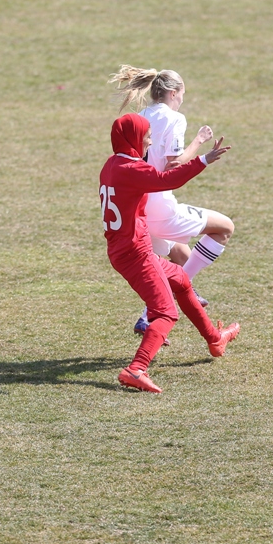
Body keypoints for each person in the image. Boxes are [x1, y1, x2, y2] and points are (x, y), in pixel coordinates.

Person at [100, 113, 241, 393]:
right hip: (135, 253)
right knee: (166, 313)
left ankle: (215, 339)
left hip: (124, 250)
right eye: (146, 137)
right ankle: (136, 369)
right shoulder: (132, 170)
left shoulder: (112, 165)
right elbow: (169, 180)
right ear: (133, 140)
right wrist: (203, 159)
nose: (150, 142)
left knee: (181, 280)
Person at [109, 65, 236, 334]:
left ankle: (180, 298)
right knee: (224, 228)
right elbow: (173, 164)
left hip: (139, 208)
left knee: (181, 253)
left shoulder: (142, 115)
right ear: (174, 93)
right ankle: (150, 312)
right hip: (160, 205)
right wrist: (199, 143)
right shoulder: (175, 119)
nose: (182, 101)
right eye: (183, 96)